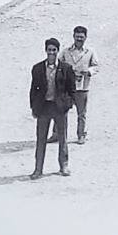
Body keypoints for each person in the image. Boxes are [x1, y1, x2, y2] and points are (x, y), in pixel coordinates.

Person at [29, 38, 76, 179]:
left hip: (59, 109)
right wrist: (34, 107)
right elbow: (33, 90)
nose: (51, 53)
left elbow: (71, 89)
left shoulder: (66, 68)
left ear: (57, 51)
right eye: (49, 50)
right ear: (46, 51)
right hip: (44, 108)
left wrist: (67, 104)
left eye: (54, 50)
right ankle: (38, 169)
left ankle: (64, 166)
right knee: (41, 139)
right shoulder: (37, 68)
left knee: (62, 138)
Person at [59, 26, 99, 144]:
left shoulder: (90, 52)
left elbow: (96, 66)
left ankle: (81, 135)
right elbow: (58, 64)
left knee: (81, 113)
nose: (79, 40)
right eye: (77, 37)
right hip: (67, 87)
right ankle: (57, 134)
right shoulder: (66, 51)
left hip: (82, 87)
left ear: (85, 38)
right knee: (60, 111)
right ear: (73, 37)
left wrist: (89, 72)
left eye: (81, 37)